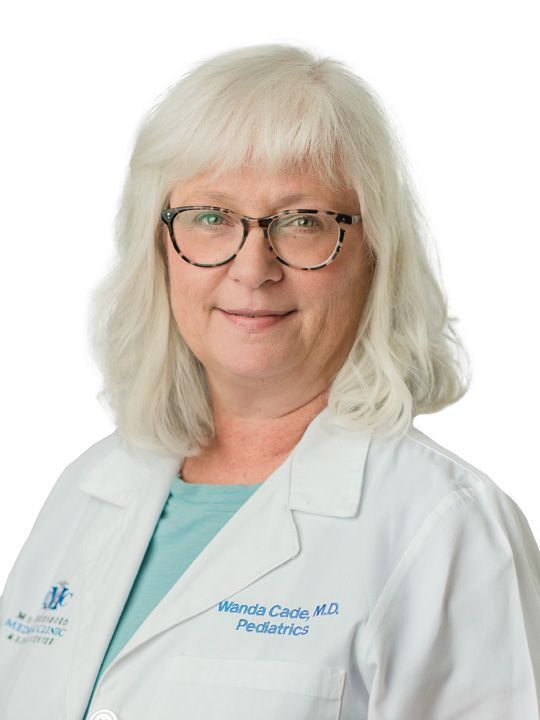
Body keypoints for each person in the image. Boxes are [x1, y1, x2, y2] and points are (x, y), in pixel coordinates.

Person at [1, 43, 539, 720]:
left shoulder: (447, 526)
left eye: (304, 222)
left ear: (375, 254)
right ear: (159, 248)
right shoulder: (85, 491)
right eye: (211, 216)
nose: (253, 269)